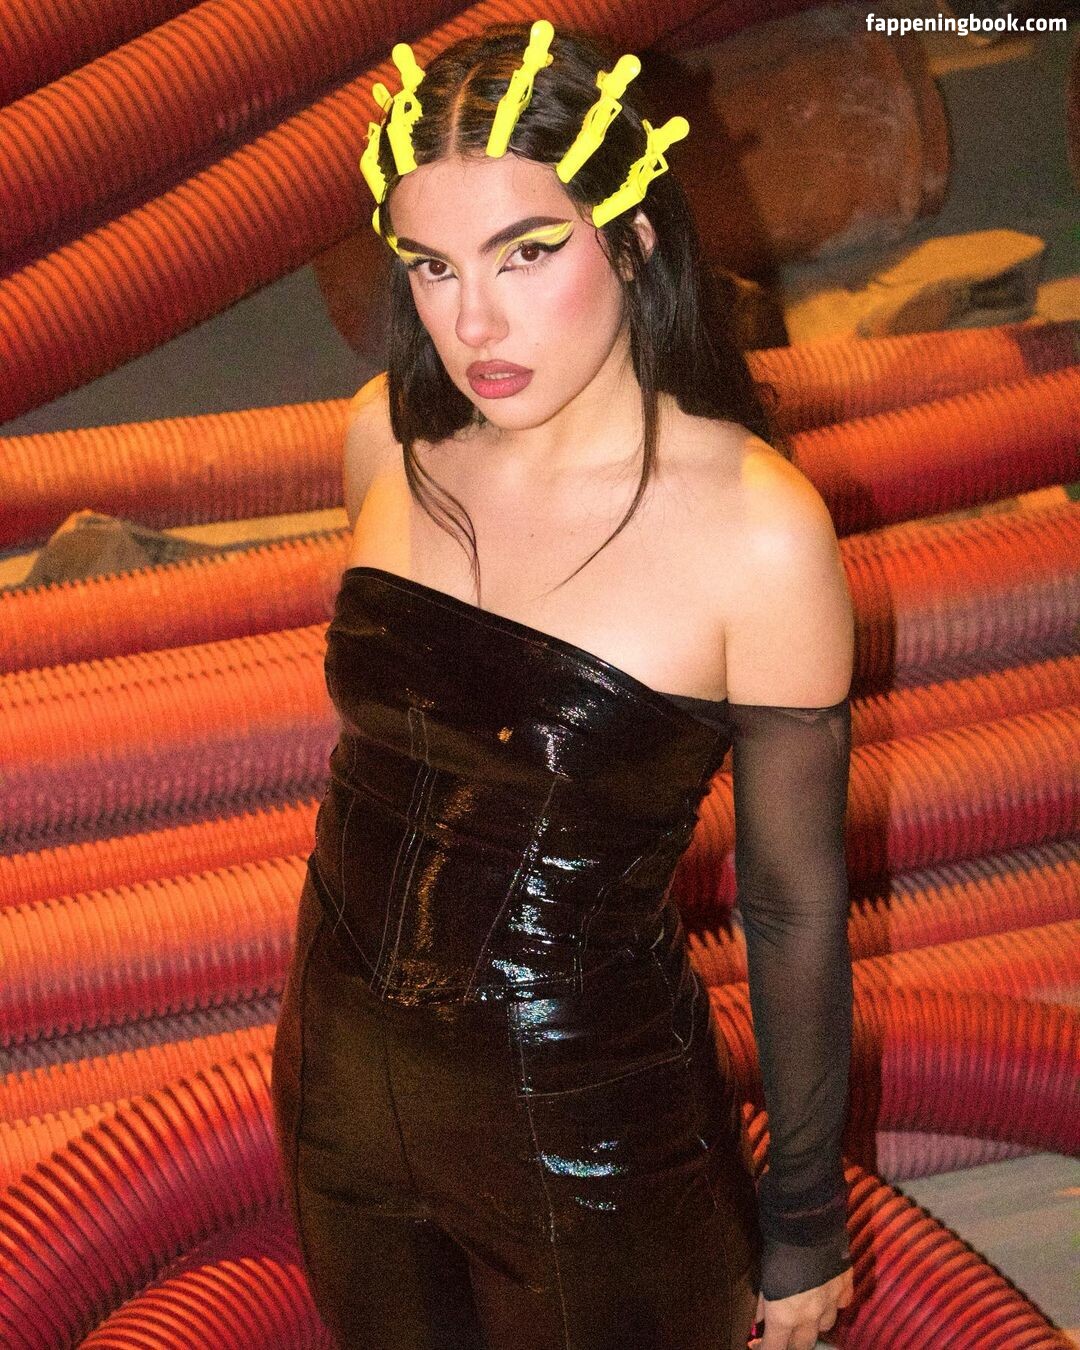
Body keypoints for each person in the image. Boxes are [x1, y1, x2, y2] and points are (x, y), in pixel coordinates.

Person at [271, 19, 855, 1350]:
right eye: (431, 266)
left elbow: (791, 905)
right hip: (333, 1101)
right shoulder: (385, 443)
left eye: (525, 253)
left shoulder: (756, 532)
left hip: (594, 1143)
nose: (472, 320)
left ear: (633, 242)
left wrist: (806, 1215)